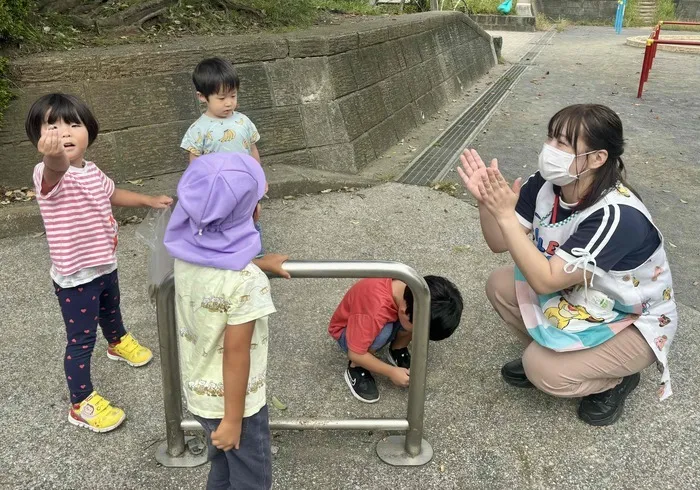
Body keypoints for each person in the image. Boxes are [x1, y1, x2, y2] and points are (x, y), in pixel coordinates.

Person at [458, 103, 677, 426]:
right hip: (582, 296)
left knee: (541, 371)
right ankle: (559, 355)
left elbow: (546, 281)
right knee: (499, 285)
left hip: (633, 319)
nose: (550, 149)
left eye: (562, 143)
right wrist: (486, 206)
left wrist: (505, 213)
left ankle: (616, 379)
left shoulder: (616, 215)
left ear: (597, 158)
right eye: (550, 138)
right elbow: (499, 243)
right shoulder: (546, 186)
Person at [25, 93, 173, 432]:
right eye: (52, 126)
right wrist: (52, 158)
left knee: (111, 309)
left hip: (105, 263)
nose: (64, 133)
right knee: (81, 340)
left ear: (89, 131)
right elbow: (56, 168)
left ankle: (118, 341)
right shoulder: (47, 173)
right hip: (75, 276)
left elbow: (112, 194)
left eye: (73, 124)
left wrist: (147, 200)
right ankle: (81, 402)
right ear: (39, 137)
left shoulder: (91, 171)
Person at [164, 152, 289, 490]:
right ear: (253, 212)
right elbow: (236, 353)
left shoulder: (185, 256)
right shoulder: (246, 283)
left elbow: (215, 276)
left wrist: (258, 264)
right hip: (237, 405)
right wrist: (234, 419)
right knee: (252, 478)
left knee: (221, 467)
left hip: (201, 395)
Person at [180, 57, 266, 254]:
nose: (229, 103)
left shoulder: (244, 121)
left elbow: (252, 150)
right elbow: (195, 166)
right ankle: (225, 255)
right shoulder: (198, 130)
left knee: (252, 216)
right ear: (202, 97)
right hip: (217, 191)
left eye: (233, 96)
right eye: (221, 98)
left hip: (245, 185)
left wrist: (260, 178)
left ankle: (255, 256)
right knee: (222, 223)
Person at [329, 276, 463, 403]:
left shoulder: (414, 289)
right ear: (404, 311)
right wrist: (391, 372)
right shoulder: (375, 312)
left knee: (416, 324)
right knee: (384, 332)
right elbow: (355, 353)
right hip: (348, 332)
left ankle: (397, 348)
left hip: (380, 317)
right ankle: (356, 367)